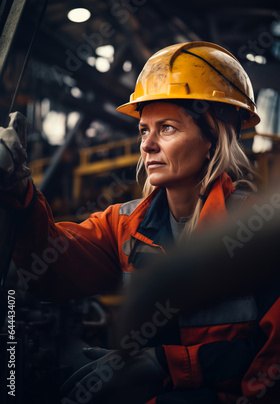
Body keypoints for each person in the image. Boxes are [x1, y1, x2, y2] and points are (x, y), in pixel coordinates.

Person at [1, 41, 280, 404]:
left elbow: (271, 365)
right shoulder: (124, 224)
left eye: (166, 128)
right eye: (143, 130)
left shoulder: (261, 231)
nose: (147, 145)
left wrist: (166, 364)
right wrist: (18, 189)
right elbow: (48, 271)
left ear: (213, 135)